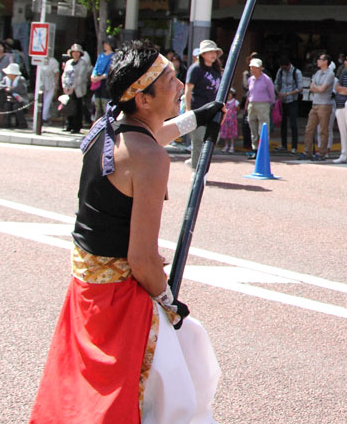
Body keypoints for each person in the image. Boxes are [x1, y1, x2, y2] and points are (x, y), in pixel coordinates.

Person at [29, 41, 222, 424]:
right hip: (121, 298)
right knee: (178, 383)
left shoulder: (107, 127)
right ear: (144, 99)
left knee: (81, 396)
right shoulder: (148, 158)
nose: (179, 83)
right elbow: (142, 259)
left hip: (87, 290)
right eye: (169, 80)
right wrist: (169, 302)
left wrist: (195, 118)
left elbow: (150, 136)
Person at [183, 40, 223, 169]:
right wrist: (188, 109)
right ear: (203, 54)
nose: (213, 54)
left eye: (215, 52)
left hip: (213, 110)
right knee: (199, 140)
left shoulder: (216, 70)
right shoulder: (195, 69)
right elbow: (188, 90)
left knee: (213, 140)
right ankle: (196, 170)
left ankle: (195, 160)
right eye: (210, 52)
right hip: (198, 109)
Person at [303, 54, 335, 160]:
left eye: (320, 59)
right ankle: (307, 152)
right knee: (309, 128)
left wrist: (317, 88)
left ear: (326, 61)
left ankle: (322, 153)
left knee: (323, 130)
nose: (317, 61)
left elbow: (322, 89)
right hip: (315, 103)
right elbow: (312, 87)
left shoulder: (330, 74)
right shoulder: (317, 72)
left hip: (325, 104)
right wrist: (318, 88)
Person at [245, 57, 276, 159]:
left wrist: (271, 104)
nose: (253, 70)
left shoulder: (267, 80)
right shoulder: (250, 79)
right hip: (252, 104)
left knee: (263, 128)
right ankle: (254, 149)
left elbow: (272, 93)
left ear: (260, 68)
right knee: (252, 126)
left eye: (255, 67)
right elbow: (249, 92)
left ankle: (263, 150)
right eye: (251, 68)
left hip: (263, 104)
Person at [274, 57, 303, 154]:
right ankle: (283, 144)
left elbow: (300, 88)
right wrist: (277, 92)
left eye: (284, 67)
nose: (283, 69)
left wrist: (287, 94)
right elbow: (276, 82)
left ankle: (294, 146)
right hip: (283, 101)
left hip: (292, 100)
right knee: (283, 123)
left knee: (293, 123)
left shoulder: (296, 72)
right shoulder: (281, 71)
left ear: (288, 65)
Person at [61, 44, 92, 133]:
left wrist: (73, 88)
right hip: (68, 87)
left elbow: (81, 77)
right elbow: (64, 75)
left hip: (77, 89)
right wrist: (64, 86)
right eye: (73, 52)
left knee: (77, 107)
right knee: (68, 106)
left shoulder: (82, 63)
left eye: (77, 52)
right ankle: (68, 124)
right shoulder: (68, 62)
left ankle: (76, 126)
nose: (75, 54)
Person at [90, 39, 115, 121]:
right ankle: (96, 120)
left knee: (105, 103)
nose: (105, 45)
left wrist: (100, 78)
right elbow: (96, 67)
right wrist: (93, 76)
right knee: (97, 102)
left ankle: (106, 121)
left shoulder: (114, 56)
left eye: (106, 43)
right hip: (98, 81)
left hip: (105, 81)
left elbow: (110, 70)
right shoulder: (101, 55)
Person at [220, 89, 241, 154]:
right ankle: (226, 145)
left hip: (232, 121)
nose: (229, 95)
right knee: (226, 133)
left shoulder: (235, 102)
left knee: (232, 133)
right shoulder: (224, 102)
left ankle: (232, 146)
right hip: (225, 121)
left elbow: (238, 109)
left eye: (230, 93)